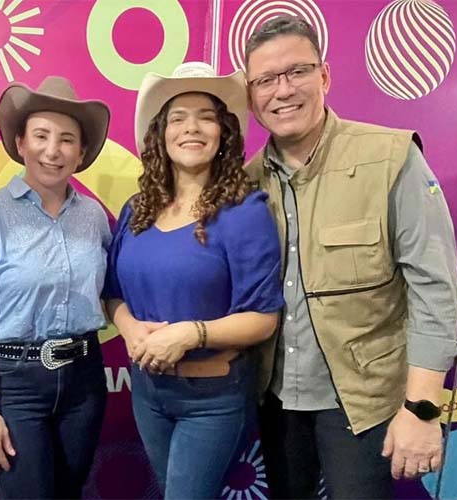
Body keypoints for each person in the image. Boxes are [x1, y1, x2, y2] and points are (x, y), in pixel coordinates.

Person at [242, 15, 457, 499]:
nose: (283, 90)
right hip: (276, 403)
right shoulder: (246, 183)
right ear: (251, 96)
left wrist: (422, 408)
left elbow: (435, 288)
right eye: (266, 79)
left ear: (324, 76)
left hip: (365, 404)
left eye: (297, 71)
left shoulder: (391, 157)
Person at [103, 62, 285, 499]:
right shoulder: (137, 209)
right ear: (160, 133)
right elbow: (112, 295)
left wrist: (190, 334)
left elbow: (264, 318)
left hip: (212, 397)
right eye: (178, 118)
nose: (192, 128)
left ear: (223, 132)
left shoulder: (244, 211)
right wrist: (130, 328)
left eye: (206, 117)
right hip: (148, 391)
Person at [0, 76, 111, 499]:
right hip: (16, 385)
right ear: (20, 143)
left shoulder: (94, 217)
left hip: (84, 380)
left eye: (67, 139)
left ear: (81, 153)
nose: (53, 150)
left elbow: (112, 289)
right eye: (41, 135)